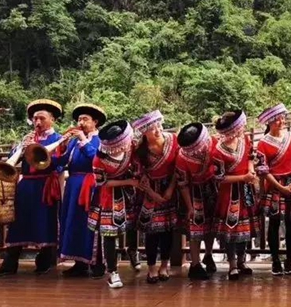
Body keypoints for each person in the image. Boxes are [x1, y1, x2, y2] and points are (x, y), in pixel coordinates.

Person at [0, 99, 64, 277]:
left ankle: (44, 261)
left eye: (42, 118)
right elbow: (12, 159)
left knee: (45, 221)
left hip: (45, 185)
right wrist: (22, 147)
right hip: (26, 185)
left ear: (52, 119)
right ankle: (10, 262)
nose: (38, 122)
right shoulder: (28, 137)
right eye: (35, 118)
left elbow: (60, 162)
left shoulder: (59, 139)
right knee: (18, 222)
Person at [256, 104, 291, 276]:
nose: (281, 121)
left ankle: (289, 259)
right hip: (275, 185)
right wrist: (280, 187)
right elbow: (263, 170)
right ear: (269, 122)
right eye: (277, 119)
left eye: (283, 118)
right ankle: (275, 259)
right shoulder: (263, 143)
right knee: (274, 223)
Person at [55, 103, 106, 277]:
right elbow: (61, 162)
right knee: (74, 222)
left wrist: (84, 140)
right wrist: (61, 146)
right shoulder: (74, 142)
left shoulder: (101, 140)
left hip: (91, 186)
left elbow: (97, 160)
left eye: (85, 119)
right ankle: (80, 263)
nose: (80, 123)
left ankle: (98, 264)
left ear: (95, 122)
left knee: (92, 224)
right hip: (73, 186)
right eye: (79, 119)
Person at [211, 111, 262, 281]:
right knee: (231, 229)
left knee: (245, 229)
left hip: (246, 190)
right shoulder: (218, 151)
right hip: (229, 193)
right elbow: (219, 178)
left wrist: (251, 171)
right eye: (241, 126)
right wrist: (243, 177)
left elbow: (250, 157)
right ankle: (232, 264)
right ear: (233, 129)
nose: (243, 128)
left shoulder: (245, 140)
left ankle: (242, 261)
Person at [88, 120, 139, 288]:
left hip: (128, 193)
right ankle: (112, 272)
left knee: (132, 226)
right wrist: (128, 181)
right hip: (108, 197)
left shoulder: (131, 147)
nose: (127, 145)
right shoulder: (99, 159)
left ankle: (133, 252)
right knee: (109, 233)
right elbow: (101, 182)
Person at [131, 110, 178, 284]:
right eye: (152, 129)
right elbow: (139, 176)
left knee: (168, 231)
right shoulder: (140, 151)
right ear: (144, 132)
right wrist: (152, 194)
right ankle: (151, 268)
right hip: (148, 192)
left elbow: (178, 168)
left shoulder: (173, 141)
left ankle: (164, 266)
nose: (157, 130)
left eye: (159, 126)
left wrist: (170, 190)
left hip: (170, 188)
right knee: (151, 232)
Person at [176, 122, 217, 281]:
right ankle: (195, 263)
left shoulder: (213, 142)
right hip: (193, 193)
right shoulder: (182, 157)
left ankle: (208, 254)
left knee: (212, 225)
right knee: (195, 228)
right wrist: (190, 207)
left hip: (212, 188)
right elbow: (183, 184)